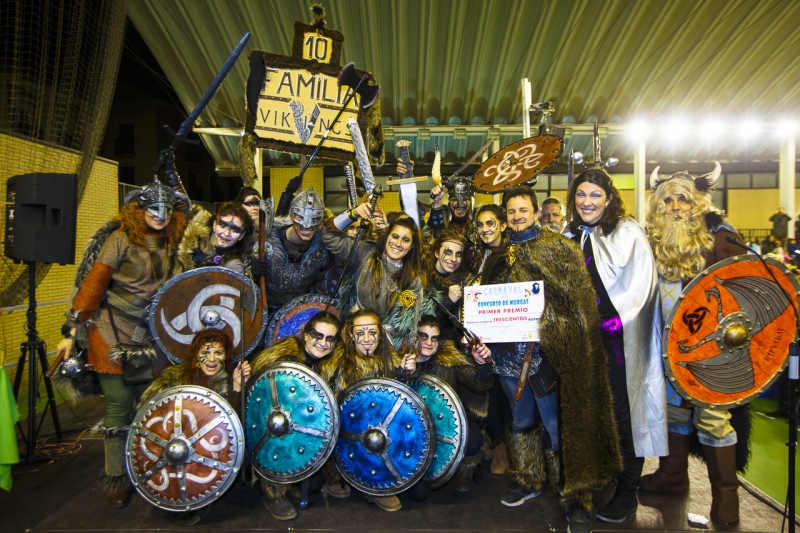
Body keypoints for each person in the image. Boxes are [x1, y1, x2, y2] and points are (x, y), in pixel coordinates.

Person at [481, 185, 619, 532]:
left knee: (560, 426)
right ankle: (526, 479)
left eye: (522, 210)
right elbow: (485, 306)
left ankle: (575, 496)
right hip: (508, 358)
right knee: (520, 419)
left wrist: (548, 328)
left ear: (536, 211)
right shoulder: (498, 256)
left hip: (549, 356)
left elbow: (578, 304)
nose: (516, 217)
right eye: (511, 212)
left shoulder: (560, 248)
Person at [55, 179, 189, 508]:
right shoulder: (119, 239)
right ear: (139, 210)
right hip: (111, 330)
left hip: (150, 336)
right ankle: (116, 476)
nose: (160, 215)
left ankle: (149, 470)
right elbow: (95, 282)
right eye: (153, 208)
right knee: (118, 406)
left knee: (149, 406)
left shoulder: (175, 244)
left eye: (166, 209)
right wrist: (71, 329)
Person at [642, 163, 749, 524]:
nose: (674, 207)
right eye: (667, 200)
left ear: (697, 203)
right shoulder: (652, 243)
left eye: (682, 200)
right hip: (667, 350)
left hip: (710, 353)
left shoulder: (720, 239)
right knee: (672, 410)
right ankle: (672, 474)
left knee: (713, 418)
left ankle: (726, 494)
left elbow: (751, 289)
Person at [565, 169, 667, 524]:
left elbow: (644, 292)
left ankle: (627, 493)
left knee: (625, 415)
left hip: (621, 343)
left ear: (608, 198)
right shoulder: (575, 235)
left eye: (594, 195)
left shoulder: (628, 233)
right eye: (581, 194)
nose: (586, 202)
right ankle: (605, 473)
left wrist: (609, 323)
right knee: (596, 413)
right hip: (587, 345)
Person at [136, 327, 250, 526]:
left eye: (218, 352)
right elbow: (151, 415)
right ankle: (174, 501)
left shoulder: (230, 377)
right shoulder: (175, 378)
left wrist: (238, 386)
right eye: (205, 352)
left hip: (213, 447)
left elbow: (236, 426)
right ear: (196, 356)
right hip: (177, 444)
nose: (212, 359)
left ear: (226, 355)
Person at [316, 309, 416, 512]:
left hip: (383, 436)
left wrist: (406, 374)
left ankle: (377, 482)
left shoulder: (391, 360)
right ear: (351, 335)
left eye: (372, 332)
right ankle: (337, 473)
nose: (367, 339)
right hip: (344, 436)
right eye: (360, 333)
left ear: (380, 334)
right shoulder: (334, 364)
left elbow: (404, 409)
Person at [248, 312, 341, 520]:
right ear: (306, 335)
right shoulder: (283, 359)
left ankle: (288, 481)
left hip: (297, 425)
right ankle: (273, 494)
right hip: (268, 423)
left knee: (315, 485)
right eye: (318, 335)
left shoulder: (322, 364)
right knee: (277, 431)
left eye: (330, 339)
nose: (323, 343)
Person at [322, 207, 435, 352]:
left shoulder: (413, 278)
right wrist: (353, 213)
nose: (398, 244)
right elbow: (327, 236)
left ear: (411, 246)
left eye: (405, 240)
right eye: (395, 236)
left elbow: (410, 326)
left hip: (390, 346)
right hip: (355, 337)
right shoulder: (365, 254)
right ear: (387, 237)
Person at [404, 314, 493, 496]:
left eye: (434, 338)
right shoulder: (403, 360)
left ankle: (463, 472)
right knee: (418, 496)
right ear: (414, 337)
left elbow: (480, 384)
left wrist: (482, 365)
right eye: (424, 336)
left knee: (473, 438)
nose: (429, 342)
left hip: (449, 423)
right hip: (414, 431)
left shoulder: (449, 360)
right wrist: (403, 374)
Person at [249, 188, 335, 316]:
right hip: (265, 312)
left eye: (314, 219)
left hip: (301, 314)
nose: (306, 226)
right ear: (291, 214)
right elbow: (244, 286)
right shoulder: (267, 241)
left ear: (321, 219)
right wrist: (251, 273)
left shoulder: (322, 247)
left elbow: (322, 288)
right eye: (300, 217)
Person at [178, 202, 255, 273]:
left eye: (235, 230)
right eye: (223, 225)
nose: (227, 233)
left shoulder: (233, 266)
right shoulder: (188, 241)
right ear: (214, 225)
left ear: (241, 235)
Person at [426, 230, 470, 341]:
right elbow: (418, 320)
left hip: (453, 342)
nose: (454, 259)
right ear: (437, 253)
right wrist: (448, 302)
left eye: (458, 254)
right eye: (448, 252)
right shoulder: (423, 279)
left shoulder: (466, 280)